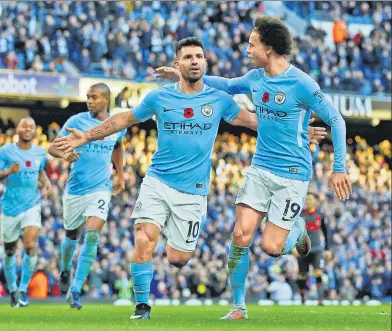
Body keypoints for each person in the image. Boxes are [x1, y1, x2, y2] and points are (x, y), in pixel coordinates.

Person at [53, 37, 326, 320]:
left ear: (205, 63)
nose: (194, 61)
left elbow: (255, 122)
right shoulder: (159, 97)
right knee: (144, 237)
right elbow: (124, 119)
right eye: (188, 57)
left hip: (193, 192)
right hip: (157, 181)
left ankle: (291, 227)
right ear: (177, 64)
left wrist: (299, 131)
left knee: (178, 259)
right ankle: (142, 308)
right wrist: (86, 135)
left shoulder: (218, 99)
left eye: (199, 56)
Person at [155, 16, 351, 320]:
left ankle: (296, 229)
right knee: (240, 235)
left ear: (269, 49)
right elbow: (228, 85)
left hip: (293, 173)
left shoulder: (301, 83)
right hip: (260, 168)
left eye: (252, 44)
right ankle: (238, 306)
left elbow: (337, 120)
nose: (247, 49)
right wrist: (181, 75)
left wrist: (339, 166)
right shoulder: (255, 77)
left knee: (272, 247)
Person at [47, 83, 126, 310]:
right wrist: (65, 153)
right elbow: (52, 148)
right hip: (75, 190)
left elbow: (118, 146)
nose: (89, 101)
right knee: (71, 236)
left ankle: (76, 289)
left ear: (105, 100)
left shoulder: (116, 124)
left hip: (101, 188)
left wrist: (119, 175)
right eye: (88, 97)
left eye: (94, 97)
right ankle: (64, 269)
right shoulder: (76, 122)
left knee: (92, 236)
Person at [0, 117, 52, 308]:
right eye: (24, 125)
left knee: (30, 245)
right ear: (17, 129)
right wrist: (9, 171)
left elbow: (39, 171)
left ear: (35, 131)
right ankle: (13, 289)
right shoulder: (6, 151)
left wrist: (46, 182)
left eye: (31, 126)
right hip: (10, 207)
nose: (27, 129)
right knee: (9, 250)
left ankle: (23, 288)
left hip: (32, 205)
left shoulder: (40, 153)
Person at [296, 190, 331, 305]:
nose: (308, 201)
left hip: (317, 249)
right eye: (306, 200)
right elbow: (295, 232)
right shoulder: (301, 215)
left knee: (317, 272)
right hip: (303, 250)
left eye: (310, 199)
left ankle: (320, 299)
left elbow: (326, 233)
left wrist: (327, 249)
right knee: (302, 274)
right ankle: (302, 298)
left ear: (315, 201)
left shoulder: (320, 215)